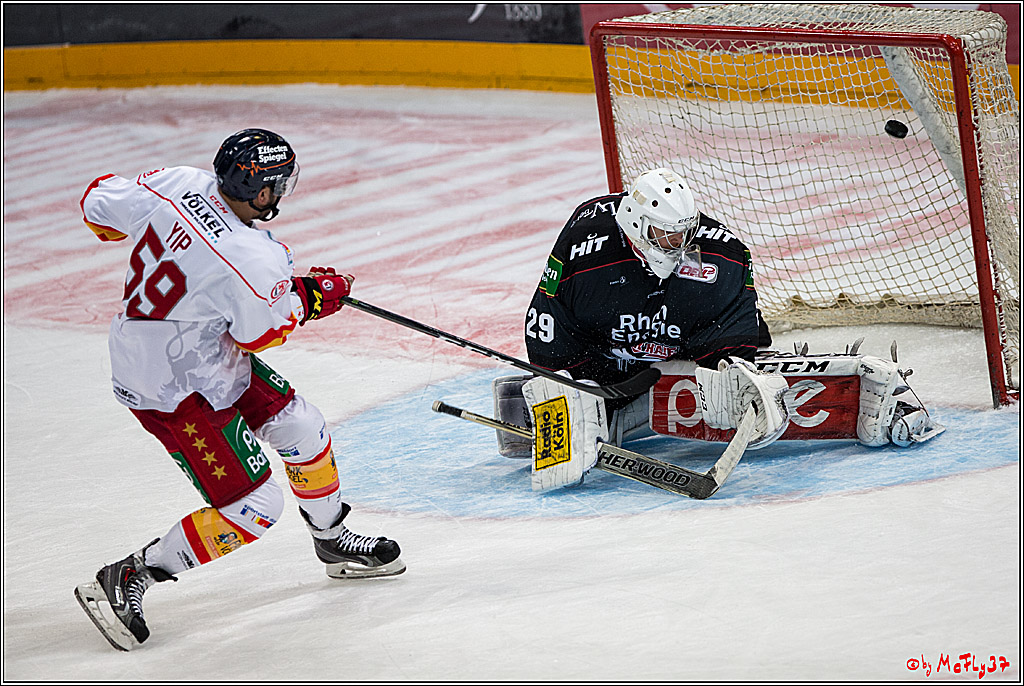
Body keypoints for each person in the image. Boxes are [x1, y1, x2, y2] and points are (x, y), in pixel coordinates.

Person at [75, 129, 404, 652]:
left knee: (302, 423)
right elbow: (263, 334)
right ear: (261, 191)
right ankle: (132, 574)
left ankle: (331, 538)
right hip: (173, 388)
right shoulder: (253, 256)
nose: (281, 194)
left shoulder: (177, 182)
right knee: (256, 508)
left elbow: (96, 201)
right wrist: (311, 296)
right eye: (278, 185)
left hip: (188, 352)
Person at [494, 167, 942, 478]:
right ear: (634, 222)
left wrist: (741, 372)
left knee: (735, 387)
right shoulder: (585, 247)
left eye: (683, 232)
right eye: (665, 235)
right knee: (568, 397)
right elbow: (548, 325)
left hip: (682, 358)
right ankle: (602, 409)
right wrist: (572, 383)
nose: (678, 244)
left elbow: (737, 337)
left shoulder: (723, 256)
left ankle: (875, 399)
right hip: (606, 365)